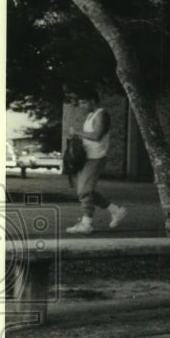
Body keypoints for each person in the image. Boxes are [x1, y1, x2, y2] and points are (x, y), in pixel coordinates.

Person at [65, 93, 128, 234]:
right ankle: (116, 210)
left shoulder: (101, 114)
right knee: (86, 191)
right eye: (80, 103)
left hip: (96, 157)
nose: (82, 106)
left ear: (93, 100)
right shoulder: (90, 116)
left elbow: (97, 135)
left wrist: (77, 132)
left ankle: (87, 224)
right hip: (86, 157)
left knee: (84, 191)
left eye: (84, 103)